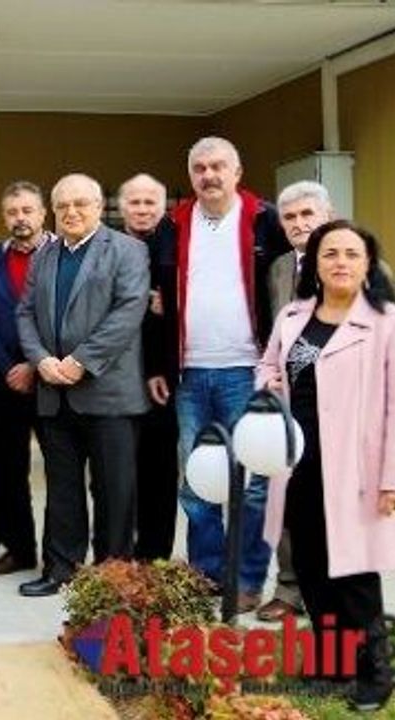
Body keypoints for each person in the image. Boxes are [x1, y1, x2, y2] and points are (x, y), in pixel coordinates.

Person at [258, 219, 395, 712]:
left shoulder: (385, 324)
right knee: (313, 568)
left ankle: (375, 673)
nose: (340, 262)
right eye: (330, 253)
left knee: (354, 574)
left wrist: (391, 479)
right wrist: (269, 382)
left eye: (351, 254)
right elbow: (268, 364)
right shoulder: (294, 316)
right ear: (314, 264)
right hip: (296, 463)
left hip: (357, 470)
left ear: (366, 265)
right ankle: (333, 663)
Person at [153, 137, 290, 612]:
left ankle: (249, 578)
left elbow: (289, 284)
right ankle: (207, 575)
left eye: (217, 167)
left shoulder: (265, 219)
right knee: (197, 480)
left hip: (247, 370)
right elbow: (156, 298)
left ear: (237, 171)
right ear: (190, 175)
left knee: (256, 484)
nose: (208, 175)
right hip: (191, 373)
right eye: (199, 168)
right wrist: (160, 365)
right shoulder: (174, 224)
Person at [16, 173, 150, 597]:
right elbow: (25, 313)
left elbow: (129, 311)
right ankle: (61, 568)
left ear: (98, 206)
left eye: (81, 204)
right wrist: (41, 360)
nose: (72, 212)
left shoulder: (127, 250)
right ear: (53, 212)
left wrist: (81, 362)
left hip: (108, 393)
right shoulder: (44, 256)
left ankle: (113, 576)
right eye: (63, 206)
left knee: (114, 491)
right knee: (62, 490)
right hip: (55, 394)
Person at [255, 180, 335, 623]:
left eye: (308, 214)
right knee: (287, 497)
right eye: (291, 217)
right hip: (289, 406)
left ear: (328, 214)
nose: (300, 224)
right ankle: (290, 589)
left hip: (340, 408)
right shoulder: (281, 268)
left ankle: (335, 594)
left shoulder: (359, 262)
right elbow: (276, 337)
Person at [0, 181, 50, 575]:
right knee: (9, 471)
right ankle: (21, 549)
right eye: (13, 212)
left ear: (42, 213)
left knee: (62, 473)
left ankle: (60, 554)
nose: (21, 218)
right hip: (4, 381)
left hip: (54, 378)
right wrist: (8, 369)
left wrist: (35, 364)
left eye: (28, 210)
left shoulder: (58, 254)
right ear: (4, 217)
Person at [118, 173, 180, 563]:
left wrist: (168, 303)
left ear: (163, 207)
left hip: (161, 378)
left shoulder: (177, 244)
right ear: (122, 207)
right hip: (114, 378)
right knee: (117, 473)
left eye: (149, 203)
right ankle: (117, 551)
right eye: (134, 203)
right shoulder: (109, 246)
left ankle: (154, 554)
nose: (142, 210)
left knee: (158, 471)